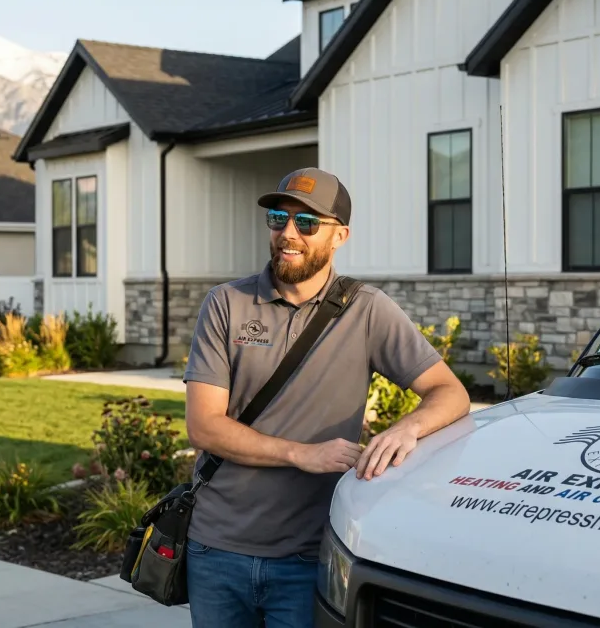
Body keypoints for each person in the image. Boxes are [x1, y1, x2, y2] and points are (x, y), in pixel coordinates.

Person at [182, 167, 471, 627]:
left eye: (307, 223)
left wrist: (405, 430)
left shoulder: (367, 310)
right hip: (215, 551)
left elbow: (450, 393)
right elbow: (204, 426)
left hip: (308, 558)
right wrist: (303, 454)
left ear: (340, 236)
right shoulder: (226, 303)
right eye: (278, 218)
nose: (288, 233)